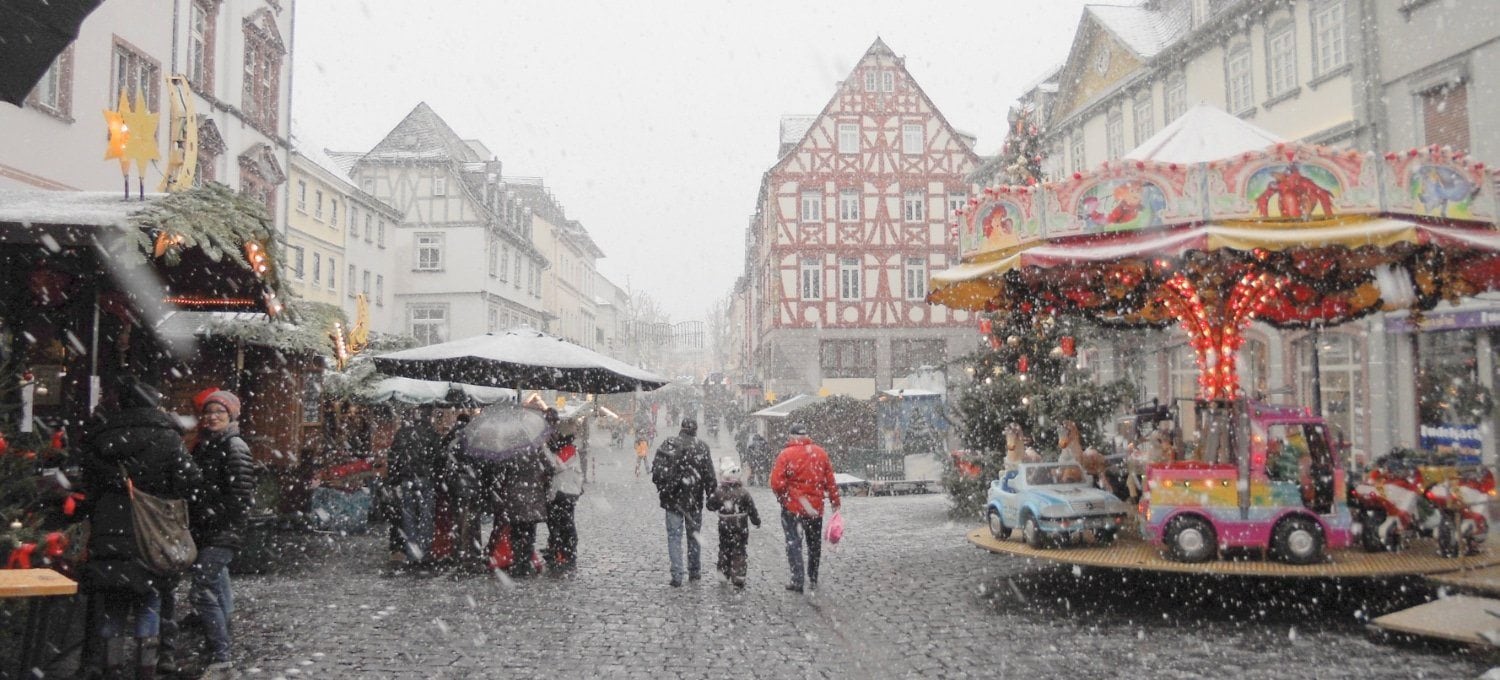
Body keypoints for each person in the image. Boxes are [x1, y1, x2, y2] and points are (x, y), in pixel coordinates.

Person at [78, 378, 203, 679]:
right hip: (151, 531)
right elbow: (190, 480)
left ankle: (111, 666)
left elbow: (88, 483)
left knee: (113, 602)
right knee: (150, 599)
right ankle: (146, 668)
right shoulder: (167, 436)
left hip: (108, 527)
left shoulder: (102, 435)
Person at [187, 389, 257, 678]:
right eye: (209, 412)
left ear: (231, 416)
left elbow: (239, 496)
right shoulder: (208, 444)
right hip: (208, 530)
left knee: (201, 589)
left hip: (222, 532)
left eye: (219, 412)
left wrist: (212, 516)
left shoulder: (234, 446)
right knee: (215, 587)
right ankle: (217, 642)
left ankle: (220, 656)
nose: (213, 417)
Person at [770, 423, 841, 593]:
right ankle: (813, 576)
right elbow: (829, 480)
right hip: (815, 509)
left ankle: (798, 579)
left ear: (791, 436)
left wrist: (784, 496)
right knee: (814, 544)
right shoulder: (820, 453)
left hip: (792, 508)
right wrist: (834, 500)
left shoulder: (785, 455)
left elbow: (776, 483)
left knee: (794, 543)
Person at [650, 417, 715, 587]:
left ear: (681, 428)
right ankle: (694, 571)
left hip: (672, 501)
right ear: (695, 430)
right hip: (694, 501)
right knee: (694, 536)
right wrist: (711, 497)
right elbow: (709, 476)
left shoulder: (669, 444)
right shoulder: (702, 447)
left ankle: (677, 575)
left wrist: (665, 489)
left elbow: (656, 472)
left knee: (674, 537)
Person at [491, 414, 553, 577]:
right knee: (529, 531)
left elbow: (501, 471)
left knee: (516, 531)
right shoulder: (537, 449)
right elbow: (551, 467)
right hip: (532, 496)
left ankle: (518, 563)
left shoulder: (509, 450)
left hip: (514, 497)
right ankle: (525, 562)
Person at [386, 405, 442, 567]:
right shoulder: (431, 433)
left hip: (407, 479)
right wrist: (436, 476)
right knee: (426, 517)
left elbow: (393, 457)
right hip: (425, 479)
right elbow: (438, 458)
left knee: (408, 518)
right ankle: (423, 553)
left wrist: (394, 478)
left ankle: (412, 553)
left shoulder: (402, 433)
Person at [706, 456, 760, 588]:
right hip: (741, 526)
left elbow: (709, 505)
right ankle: (738, 576)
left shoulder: (719, 492)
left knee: (724, 549)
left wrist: (718, 506)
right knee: (739, 550)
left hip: (724, 525)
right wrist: (756, 521)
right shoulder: (744, 493)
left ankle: (723, 573)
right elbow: (752, 509)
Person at [543, 409, 583, 572]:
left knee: (559, 524)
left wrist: (546, 452)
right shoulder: (571, 449)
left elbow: (556, 466)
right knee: (564, 523)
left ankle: (562, 552)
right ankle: (563, 551)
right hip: (569, 492)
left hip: (561, 492)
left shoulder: (565, 451)